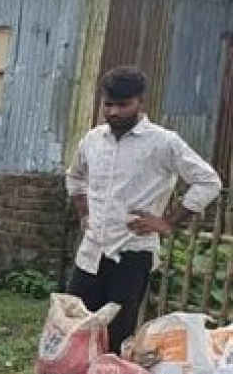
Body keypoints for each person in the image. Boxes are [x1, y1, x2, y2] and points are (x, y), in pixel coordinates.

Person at [65, 66, 223, 354]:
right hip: (90, 252)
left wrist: (168, 222)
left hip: (132, 254)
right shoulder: (93, 140)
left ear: (141, 103)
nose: (113, 112)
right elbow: (74, 178)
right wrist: (83, 212)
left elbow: (208, 181)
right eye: (108, 104)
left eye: (123, 105)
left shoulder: (163, 142)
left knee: (116, 335)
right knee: (72, 327)